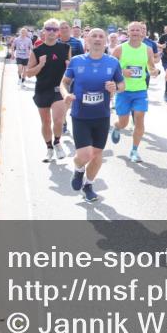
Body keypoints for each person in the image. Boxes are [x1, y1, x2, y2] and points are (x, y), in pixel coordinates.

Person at [60, 28, 125, 203]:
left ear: (106, 41)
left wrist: (115, 88)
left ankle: (88, 185)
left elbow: (122, 85)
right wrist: (66, 95)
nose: (97, 39)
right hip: (80, 115)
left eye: (101, 36)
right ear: (87, 40)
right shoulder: (76, 61)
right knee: (85, 155)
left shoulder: (112, 62)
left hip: (102, 115)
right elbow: (64, 83)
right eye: (94, 36)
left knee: (97, 154)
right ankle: (79, 169)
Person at [110, 21, 158, 163]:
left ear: (142, 32)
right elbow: (109, 68)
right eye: (133, 30)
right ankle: (117, 127)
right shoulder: (119, 49)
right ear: (128, 32)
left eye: (138, 30)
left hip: (140, 90)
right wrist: (122, 71)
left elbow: (150, 67)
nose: (136, 33)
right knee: (124, 122)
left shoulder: (147, 49)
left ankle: (134, 151)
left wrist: (154, 71)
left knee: (139, 118)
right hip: (123, 90)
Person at [27, 19, 70, 162]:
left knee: (58, 120)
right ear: (43, 31)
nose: (52, 32)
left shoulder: (65, 48)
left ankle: (57, 142)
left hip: (59, 90)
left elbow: (70, 71)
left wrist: (70, 67)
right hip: (42, 89)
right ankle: (49, 148)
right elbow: (28, 73)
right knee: (45, 121)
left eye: (55, 29)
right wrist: (40, 65)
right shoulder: (37, 51)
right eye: (49, 29)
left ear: (59, 32)